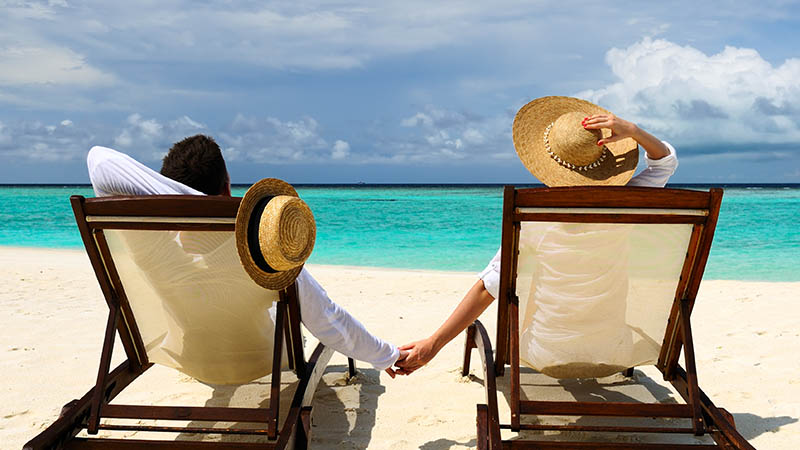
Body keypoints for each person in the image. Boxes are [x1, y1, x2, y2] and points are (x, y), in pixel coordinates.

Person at [394, 96, 679, 375]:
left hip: (546, 353)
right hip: (613, 350)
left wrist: (433, 344)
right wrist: (634, 131)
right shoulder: (629, 207)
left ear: (549, 163)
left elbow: (487, 289)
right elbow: (664, 163)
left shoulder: (533, 221)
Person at [87, 135, 406, 377]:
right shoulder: (262, 251)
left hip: (194, 359)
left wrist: (184, 212)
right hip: (263, 362)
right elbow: (326, 319)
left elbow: (99, 160)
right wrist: (386, 355)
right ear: (227, 185)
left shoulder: (156, 251)